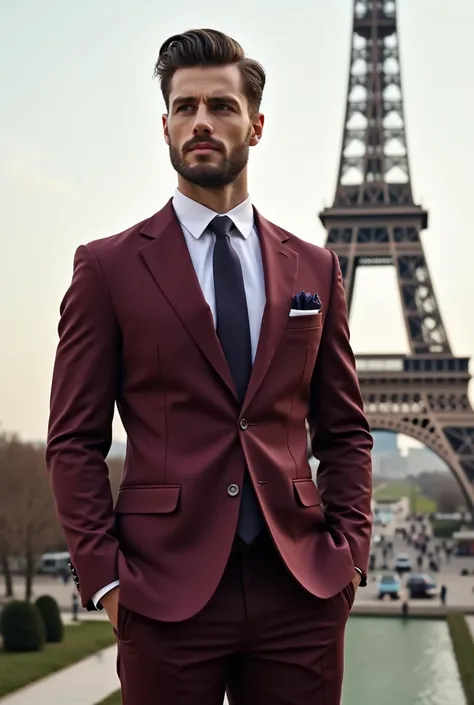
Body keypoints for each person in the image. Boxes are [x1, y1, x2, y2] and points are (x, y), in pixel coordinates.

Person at [46, 28, 373, 705]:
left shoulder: (316, 268)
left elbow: (345, 431)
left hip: (300, 588)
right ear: (164, 125)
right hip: (163, 592)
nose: (202, 121)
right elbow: (73, 440)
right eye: (186, 106)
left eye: (221, 106)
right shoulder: (106, 268)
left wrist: (349, 559)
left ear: (255, 125)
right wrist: (107, 580)